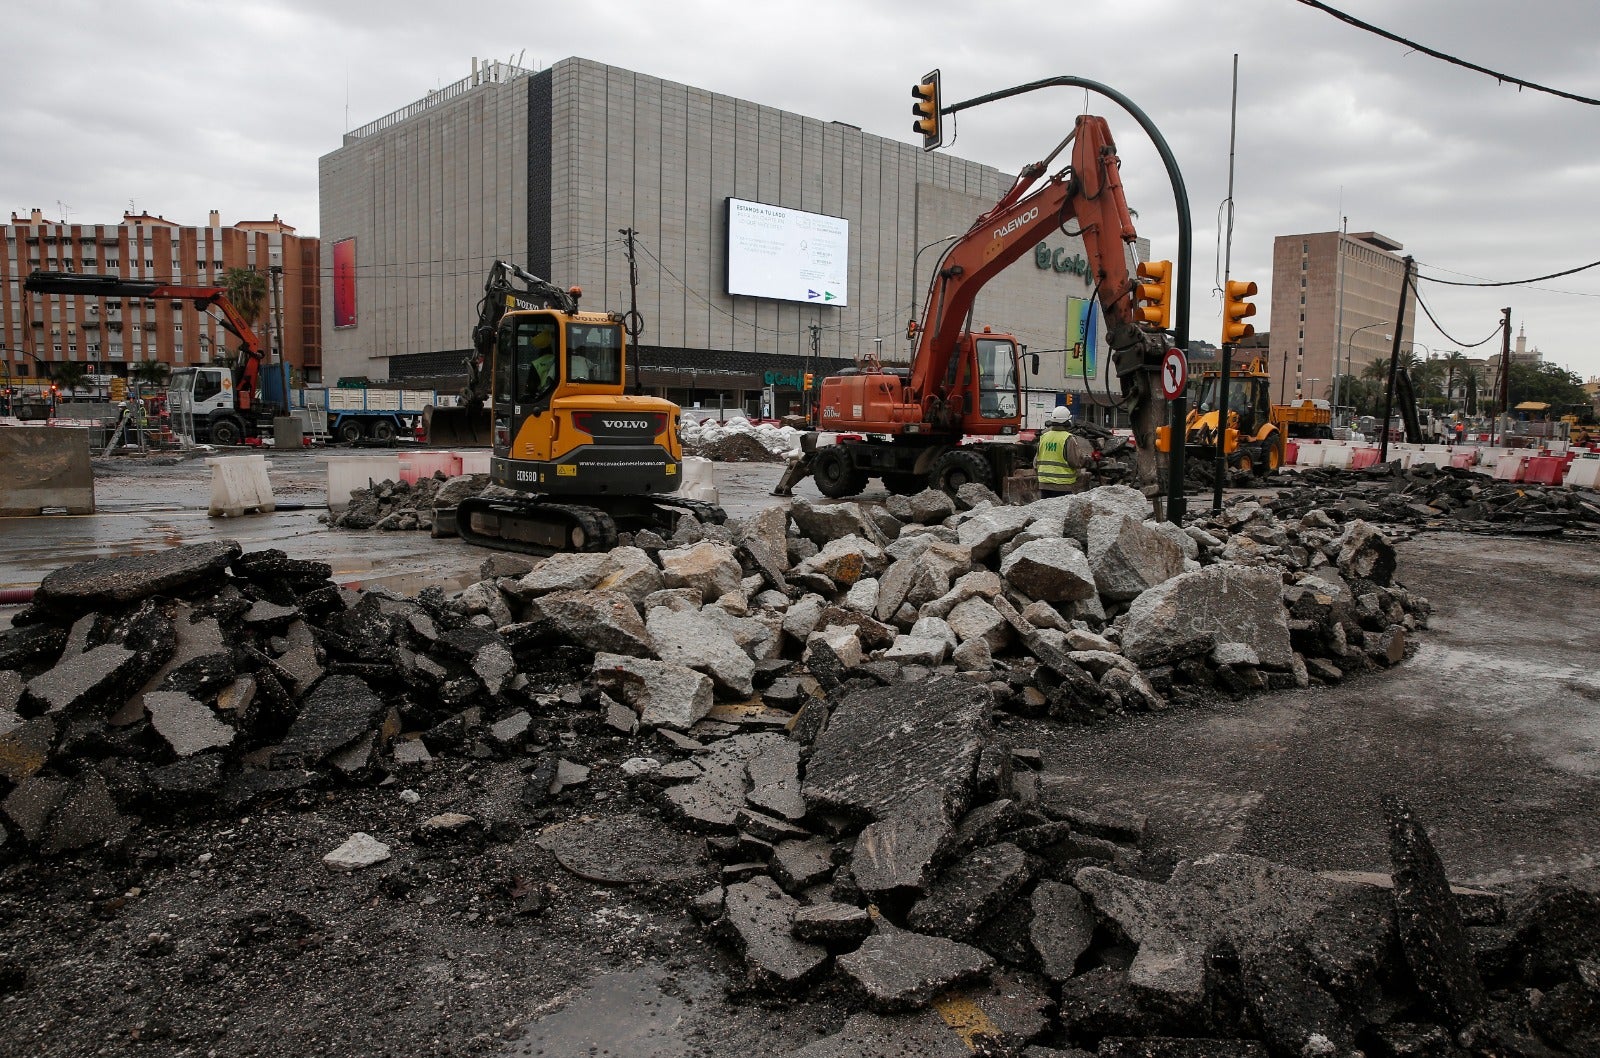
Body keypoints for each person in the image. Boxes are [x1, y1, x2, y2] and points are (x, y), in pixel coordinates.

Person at [1035, 405, 1088, 495]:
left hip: (1044, 484)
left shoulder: (1044, 437)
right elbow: (1075, 462)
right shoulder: (1068, 438)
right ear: (1067, 422)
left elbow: (1036, 462)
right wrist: (1086, 460)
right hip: (1063, 485)